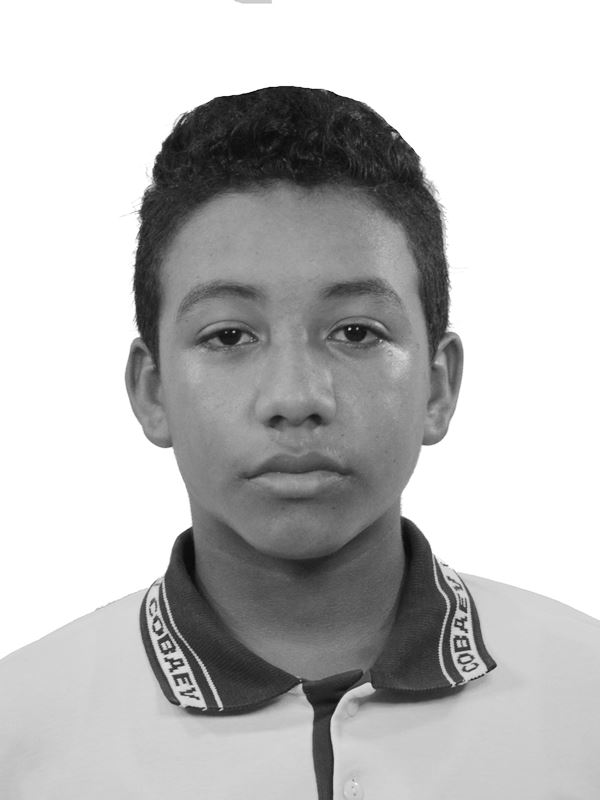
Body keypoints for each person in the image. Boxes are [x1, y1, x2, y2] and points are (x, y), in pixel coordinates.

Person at [1, 86, 598, 799]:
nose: (294, 398)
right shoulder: (21, 731)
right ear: (152, 391)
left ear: (437, 387)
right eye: (229, 336)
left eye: (355, 332)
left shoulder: (584, 697)